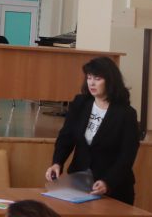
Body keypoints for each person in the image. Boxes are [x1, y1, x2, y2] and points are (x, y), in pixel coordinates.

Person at [44, 56, 139, 204]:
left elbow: (127, 155)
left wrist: (108, 182)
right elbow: (66, 137)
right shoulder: (80, 103)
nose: (91, 83)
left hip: (114, 188)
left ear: (110, 81)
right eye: (89, 78)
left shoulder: (126, 114)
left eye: (97, 78)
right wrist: (57, 162)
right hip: (79, 183)